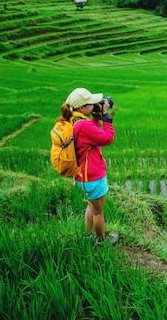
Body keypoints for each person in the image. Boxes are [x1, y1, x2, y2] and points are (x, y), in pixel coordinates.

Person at [62, 87, 117, 245]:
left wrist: (96, 117)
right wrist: (106, 117)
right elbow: (107, 138)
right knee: (99, 211)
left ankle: (88, 235)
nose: (94, 104)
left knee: (91, 206)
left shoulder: (75, 121)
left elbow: (90, 132)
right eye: (91, 103)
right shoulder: (83, 126)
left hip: (82, 177)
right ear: (81, 107)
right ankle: (101, 241)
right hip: (92, 177)